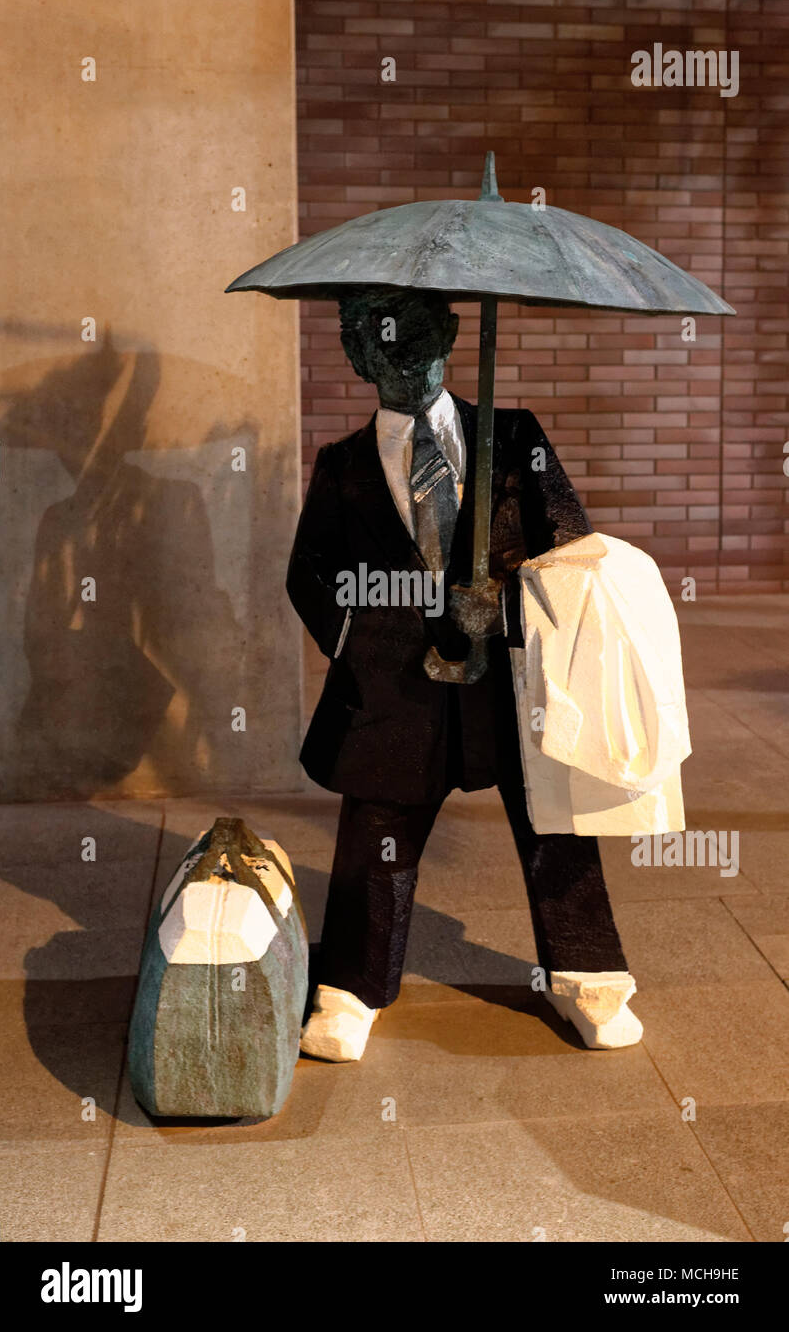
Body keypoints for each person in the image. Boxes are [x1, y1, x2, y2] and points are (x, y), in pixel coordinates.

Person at [288, 286, 642, 1060]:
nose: (410, 360)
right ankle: (350, 986)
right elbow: (309, 576)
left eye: (424, 339)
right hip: (396, 694)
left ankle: (589, 975)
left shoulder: (513, 439)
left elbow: (575, 552)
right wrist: (379, 636)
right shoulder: (342, 465)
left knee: (557, 825)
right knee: (376, 830)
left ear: (452, 336)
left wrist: (510, 602)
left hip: (515, 687)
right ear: (356, 356)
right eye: (388, 345)